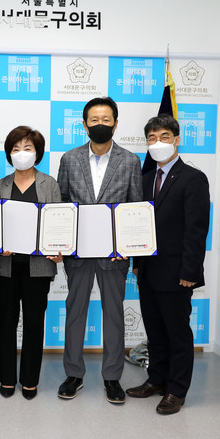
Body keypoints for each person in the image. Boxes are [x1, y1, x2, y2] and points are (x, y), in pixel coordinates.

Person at [56, 96, 142, 404]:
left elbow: (135, 208)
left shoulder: (130, 161)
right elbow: (61, 205)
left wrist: (128, 247)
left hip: (114, 254)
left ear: (115, 124)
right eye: (94, 120)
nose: (100, 124)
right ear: (85, 124)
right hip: (78, 252)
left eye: (106, 120)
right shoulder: (69, 159)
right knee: (75, 313)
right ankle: (73, 374)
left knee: (114, 315)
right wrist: (61, 244)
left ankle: (112, 377)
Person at [126, 114, 210, 415]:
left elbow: (196, 230)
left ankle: (176, 390)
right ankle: (156, 380)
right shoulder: (146, 179)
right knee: (155, 330)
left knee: (177, 333)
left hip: (177, 273)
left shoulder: (192, 178)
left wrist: (190, 272)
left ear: (176, 139)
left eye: (163, 136)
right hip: (148, 271)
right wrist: (137, 263)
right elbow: (139, 227)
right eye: (151, 138)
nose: (157, 142)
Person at [0, 126, 62, 400]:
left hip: (39, 267)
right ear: (9, 154)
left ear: (38, 153)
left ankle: (30, 379)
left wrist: (60, 249)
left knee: (34, 324)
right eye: (16, 149)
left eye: (27, 148)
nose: (21, 154)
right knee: (6, 323)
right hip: (6, 266)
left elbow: (58, 224)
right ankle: (7, 378)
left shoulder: (50, 184)